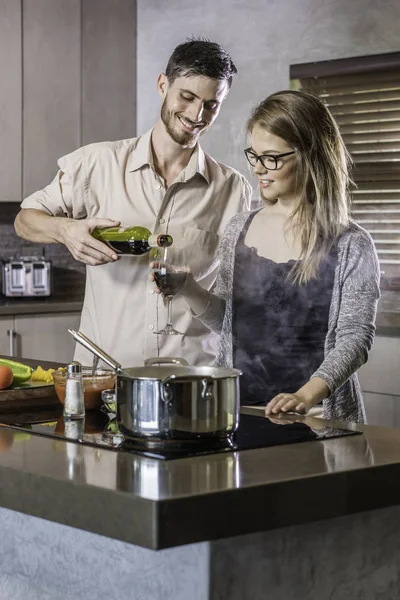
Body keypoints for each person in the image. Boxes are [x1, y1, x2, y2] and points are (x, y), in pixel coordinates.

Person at [14, 38, 252, 368]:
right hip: (105, 375)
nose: (197, 115)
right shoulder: (97, 163)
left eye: (211, 105)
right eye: (187, 97)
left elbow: (231, 312)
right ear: (162, 85)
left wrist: (190, 288)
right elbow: (25, 219)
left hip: (191, 382)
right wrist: (65, 230)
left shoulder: (233, 190)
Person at [164, 90, 380, 423]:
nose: (259, 169)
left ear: (310, 156)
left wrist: (304, 396)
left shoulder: (352, 244)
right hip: (238, 411)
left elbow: (355, 338)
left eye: (273, 158)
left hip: (319, 417)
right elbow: (229, 322)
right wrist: (187, 288)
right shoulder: (239, 228)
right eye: (254, 155)